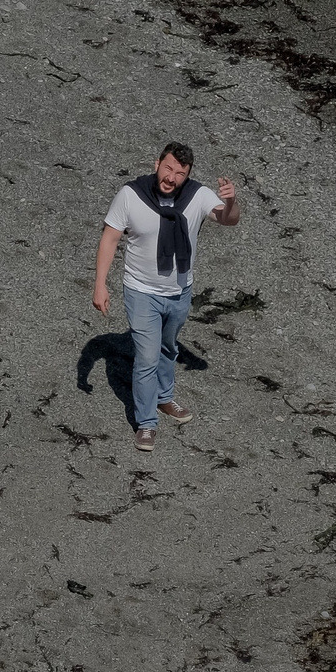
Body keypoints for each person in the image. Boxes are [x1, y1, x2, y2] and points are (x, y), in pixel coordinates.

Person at [92, 141, 240, 452]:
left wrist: (231, 202)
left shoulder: (197, 195)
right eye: (168, 168)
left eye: (180, 173)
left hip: (180, 292)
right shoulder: (130, 195)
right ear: (156, 163)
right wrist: (100, 285)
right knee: (146, 357)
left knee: (168, 348)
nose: (171, 177)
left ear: (188, 176)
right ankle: (146, 423)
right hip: (141, 291)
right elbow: (110, 238)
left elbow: (229, 220)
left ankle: (164, 398)